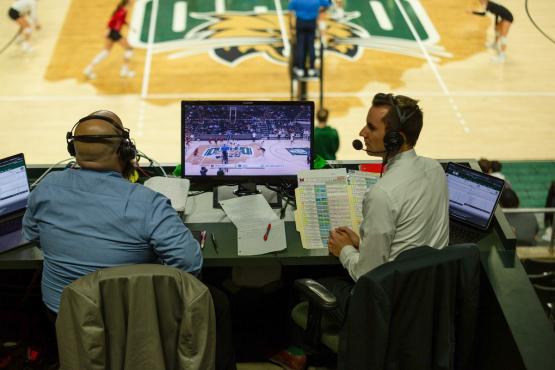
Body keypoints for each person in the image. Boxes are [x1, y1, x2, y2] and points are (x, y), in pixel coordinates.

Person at [23, 110, 236, 370]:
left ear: (73, 150)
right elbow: (189, 264)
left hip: (65, 315)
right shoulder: (147, 202)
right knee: (219, 302)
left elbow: (33, 236)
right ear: (126, 152)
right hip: (138, 319)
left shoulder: (44, 188)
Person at [271, 93, 450, 370]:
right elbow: (408, 241)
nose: (362, 132)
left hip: (384, 309)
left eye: (372, 127)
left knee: (300, 284)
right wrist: (363, 242)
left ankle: (297, 356)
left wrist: (344, 250)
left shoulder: (383, 194)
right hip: (424, 304)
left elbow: (367, 276)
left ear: (395, 139)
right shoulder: (436, 170)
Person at [83, 0, 135, 79]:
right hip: (114, 32)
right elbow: (112, 20)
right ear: (128, 1)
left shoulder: (122, 10)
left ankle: (88, 69)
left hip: (113, 32)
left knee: (105, 52)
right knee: (129, 48)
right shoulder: (122, 11)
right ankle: (124, 70)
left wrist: (129, 25)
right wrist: (108, 29)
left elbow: (121, 20)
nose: (134, 1)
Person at [288, 0, 330, 78]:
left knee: (300, 45)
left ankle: (300, 69)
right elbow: (326, 4)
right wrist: (318, 11)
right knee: (311, 46)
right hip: (312, 22)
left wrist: (290, 25)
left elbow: (290, 9)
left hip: (300, 22)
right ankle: (312, 69)